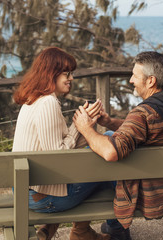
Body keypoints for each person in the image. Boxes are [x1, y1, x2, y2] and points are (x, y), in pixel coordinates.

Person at [73, 51, 163, 240]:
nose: (131, 80)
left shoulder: (143, 113)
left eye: (135, 76)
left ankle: (102, 230)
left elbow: (111, 152)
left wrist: (85, 128)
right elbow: (146, 132)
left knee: (101, 158)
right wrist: (110, 122)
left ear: (150, 81)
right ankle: (115, 229)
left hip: (150, 194)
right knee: (111, 135)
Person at [12, 47, 110, 240]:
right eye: (67, 73)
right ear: (51, 74)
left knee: (95, 155)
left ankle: (52, 228)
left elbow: (64, 147)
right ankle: (84, 232)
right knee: (108, 167)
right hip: (43, 198)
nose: (71, 78)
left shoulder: (33, 99)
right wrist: (78, 127)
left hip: (25, 190)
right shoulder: (48, 102)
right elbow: (57, 157)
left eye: (71, 73)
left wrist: (86, 124)